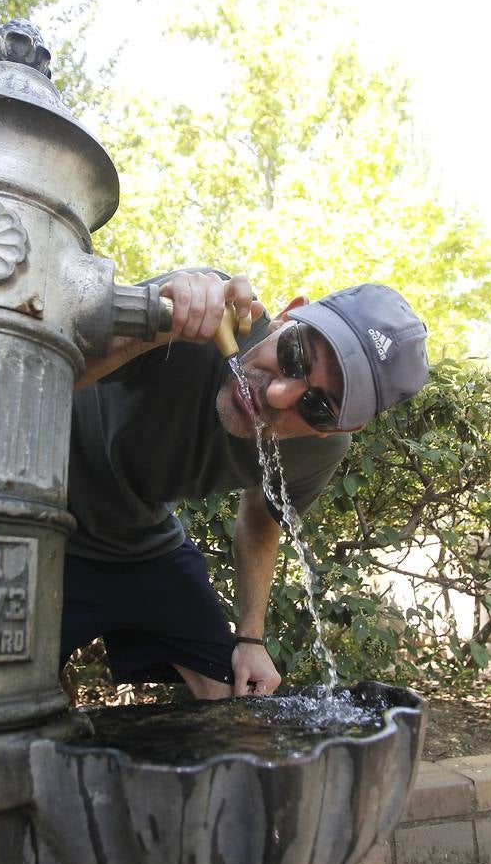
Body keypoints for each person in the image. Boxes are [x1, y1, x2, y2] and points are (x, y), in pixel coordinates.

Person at [61, 268, 428, 700]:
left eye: (317, 407)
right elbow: (36, 369)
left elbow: (261, 516)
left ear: (342, 427)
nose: (278, 395)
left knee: (233, 692)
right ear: (289, 316)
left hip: (137, 542)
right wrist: (156, 326)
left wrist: (251, 640)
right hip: (35, 517)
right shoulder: (199, 313)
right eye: (295, 356)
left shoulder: (317, 451)